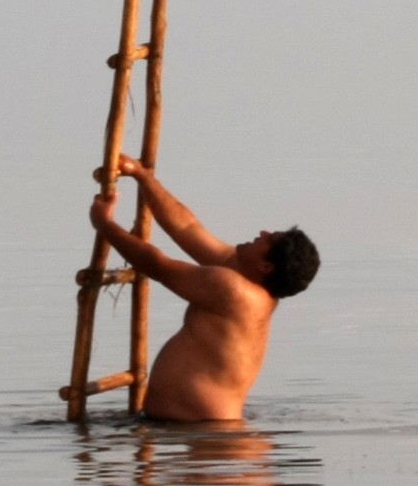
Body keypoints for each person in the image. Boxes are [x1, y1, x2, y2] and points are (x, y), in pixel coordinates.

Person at [85, 158, 319, 421]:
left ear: (266, 266)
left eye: (269, 239)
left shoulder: (234, 291)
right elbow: (187, 227)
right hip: (198, 432)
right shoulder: (243, 280)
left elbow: (157, 266)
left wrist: (105, 225)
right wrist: (141, 175)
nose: (262, 233)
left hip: (211, 439)